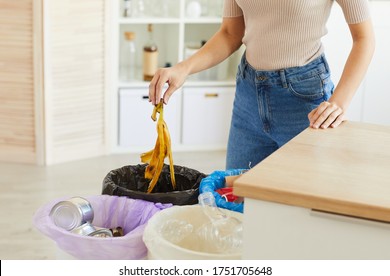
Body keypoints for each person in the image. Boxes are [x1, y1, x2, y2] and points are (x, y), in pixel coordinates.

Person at [148, 0, 375, 170]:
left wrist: (339, 103)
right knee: (236, 201)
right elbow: (230, 33)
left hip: (304, 102)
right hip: (249, 97)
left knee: (299, 210)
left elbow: (364, 38)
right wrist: (183, 68)